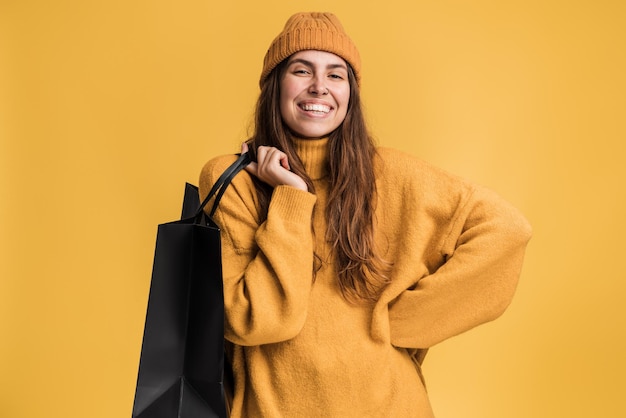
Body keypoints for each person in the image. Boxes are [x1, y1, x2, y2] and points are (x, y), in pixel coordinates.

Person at [199, 12, 532, 418]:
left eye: (336, 75)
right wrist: (291, 196)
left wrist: (399, 325)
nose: (319, 87)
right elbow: (259, 322)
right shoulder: (233, 179)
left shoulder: (391, 173)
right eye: (302, 70)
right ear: (275, 85)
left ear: (351, 94)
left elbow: (507, 231)